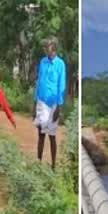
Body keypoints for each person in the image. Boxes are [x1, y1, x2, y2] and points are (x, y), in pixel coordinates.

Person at [33, 37, 66, 169]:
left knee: (52, 136)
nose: (46, 49)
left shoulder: (60, 64)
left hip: (53, 104)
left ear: (54, 48)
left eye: (48, 47)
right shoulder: (42, 62)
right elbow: (39, 81)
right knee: (40, 134)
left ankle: (53, 166)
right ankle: (39, 163)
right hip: (41, 102)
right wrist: (34, 103)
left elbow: (61, 85)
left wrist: (58, 106)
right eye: (45, 47)